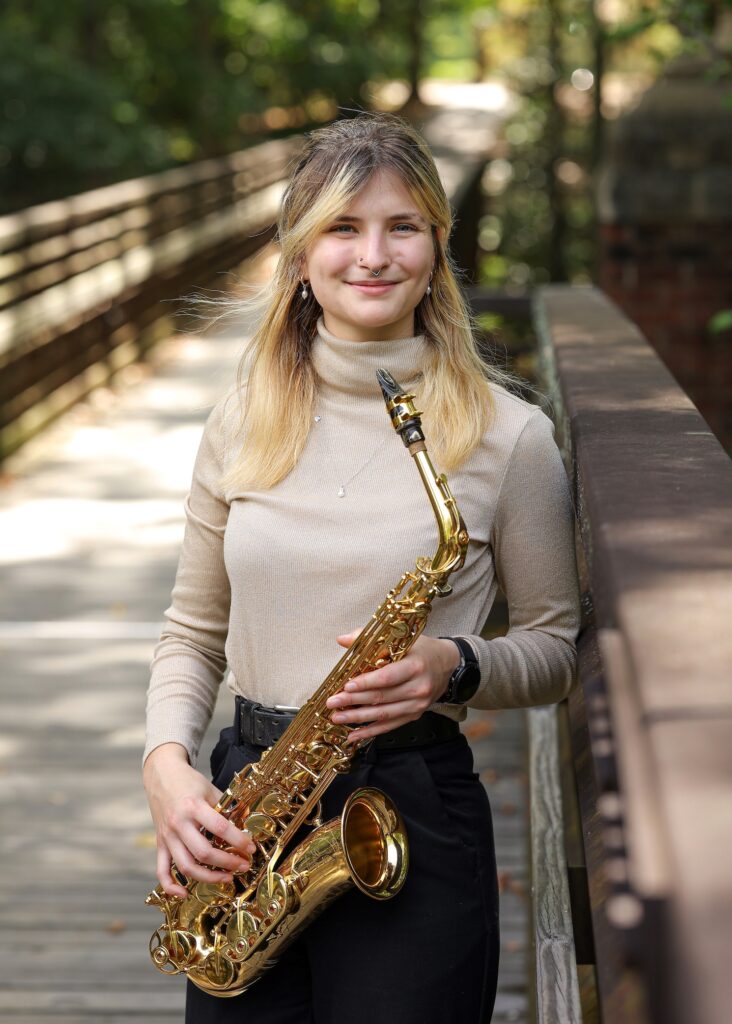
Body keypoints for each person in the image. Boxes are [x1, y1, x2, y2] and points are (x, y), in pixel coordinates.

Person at [142, 111, 581, 1024]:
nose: (372, 256)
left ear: (437, 247)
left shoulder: (511, 435)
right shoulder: (240, 421)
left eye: (402, 226)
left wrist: (453, 666)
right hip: (250, 810)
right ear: (299, 256)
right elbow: (191, 632)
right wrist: (169, 773)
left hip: (411, 809)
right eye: (343, 227)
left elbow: (554, 647)